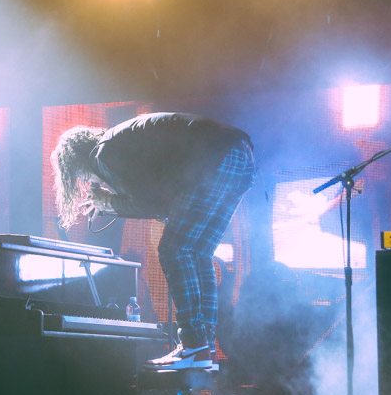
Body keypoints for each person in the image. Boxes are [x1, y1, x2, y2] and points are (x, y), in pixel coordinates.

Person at [51, 112, 256, 369]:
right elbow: (163, 203)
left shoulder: (103, 154)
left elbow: (151, 202)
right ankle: (204, 348)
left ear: (77, 161)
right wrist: (113, 202)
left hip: (214, 158)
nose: (88, 182)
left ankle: (193, 345)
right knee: (198, 251)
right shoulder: (120, 144)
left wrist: (110, 203)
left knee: (174, 249)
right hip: (239, 155)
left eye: (82, 177)